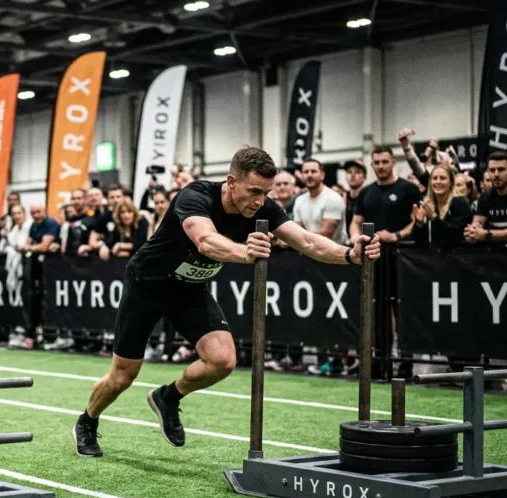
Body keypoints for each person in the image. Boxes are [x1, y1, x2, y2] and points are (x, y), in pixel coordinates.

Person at [71, 147, 381, 458]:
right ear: (231, 182)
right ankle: (87, 421)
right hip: (147, 287)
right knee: (124, 375)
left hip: (190, 290)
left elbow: (307, 241)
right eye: (254, 191)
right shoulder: (195, 196)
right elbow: (205, 240)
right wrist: (244, 252)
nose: (260, 201)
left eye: (266, 192)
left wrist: (349, 254)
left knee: (222, 361)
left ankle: (168, 397)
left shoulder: (263, 208)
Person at [349, 147, 420, 244]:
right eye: (376, 162)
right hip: (373, 249)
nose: (380, 166)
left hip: (403, 249)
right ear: (372, 165)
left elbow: (417, 222)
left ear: (393, 163)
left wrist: (396, 235)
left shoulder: (409, 189)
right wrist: (355, 236)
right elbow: (356, 222)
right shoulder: (365, 192)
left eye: (385, 162)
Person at [410, 165, 472, 244]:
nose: (438, 182)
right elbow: (418, 241)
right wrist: (419, 224)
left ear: (451, 182)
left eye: (442, 178)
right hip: (431, 252)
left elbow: (456, 235)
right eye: (435, 178)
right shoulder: (427, 204)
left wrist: (434, 217)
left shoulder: (460, 203)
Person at [292, 159, 349, 245]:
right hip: (309, 249)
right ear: (302, 176)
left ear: (322, 175)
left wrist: (300, 236)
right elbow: (297, 230)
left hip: (334, 250)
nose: (309, 175)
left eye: (313, 171)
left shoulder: (333, 198)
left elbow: (326, 234)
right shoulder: (299, 200)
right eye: (306, 172)